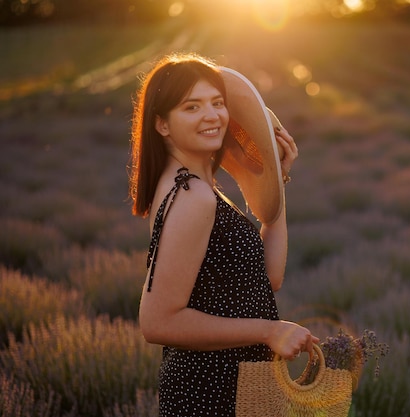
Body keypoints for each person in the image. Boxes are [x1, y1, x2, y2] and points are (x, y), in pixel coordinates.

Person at [128, 52, 318, 416]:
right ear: (162, 124)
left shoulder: (193, 186)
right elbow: (157, 322)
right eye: (192, 107)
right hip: (213, 390)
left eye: (217, 102)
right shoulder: (192, 197)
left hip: (232, 381)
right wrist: (269, 331)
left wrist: (276, 181)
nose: (212, 115)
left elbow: (269, 278)